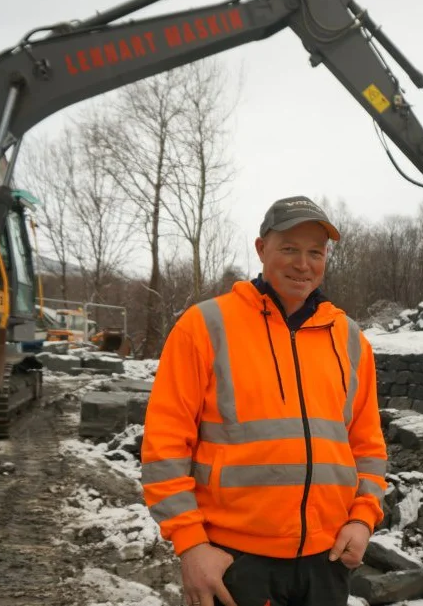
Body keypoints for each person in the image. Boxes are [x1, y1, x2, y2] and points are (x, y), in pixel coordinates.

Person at [141, 195, 388, 606]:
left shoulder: (351, 339)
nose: (303, 263)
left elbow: (367, 446)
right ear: (261, 249)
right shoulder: (205, 326)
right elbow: (164, 446)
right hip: (234, 564)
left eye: (315, 252)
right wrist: (190, 544)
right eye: (289, 248)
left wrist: (363, 520)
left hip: (326, 563)